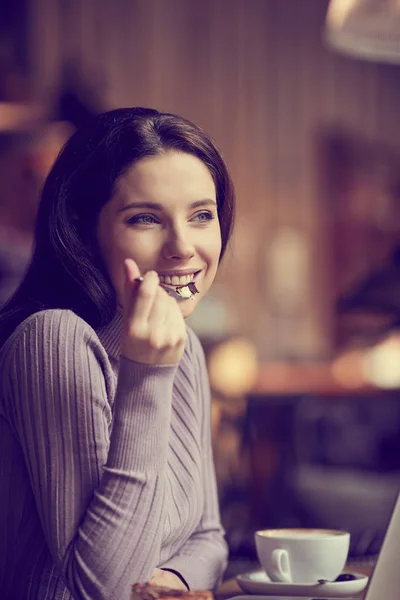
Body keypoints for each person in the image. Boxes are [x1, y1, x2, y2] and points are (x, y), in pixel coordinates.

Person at [0, 107, 235, 600]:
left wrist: (166, 581)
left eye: (201, 216)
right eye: (145, 218)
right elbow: (104, 587)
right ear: (85, 233)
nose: (182, 247)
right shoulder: (53, 340)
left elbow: (210, 539)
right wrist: (146, 375)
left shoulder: (182, 346)